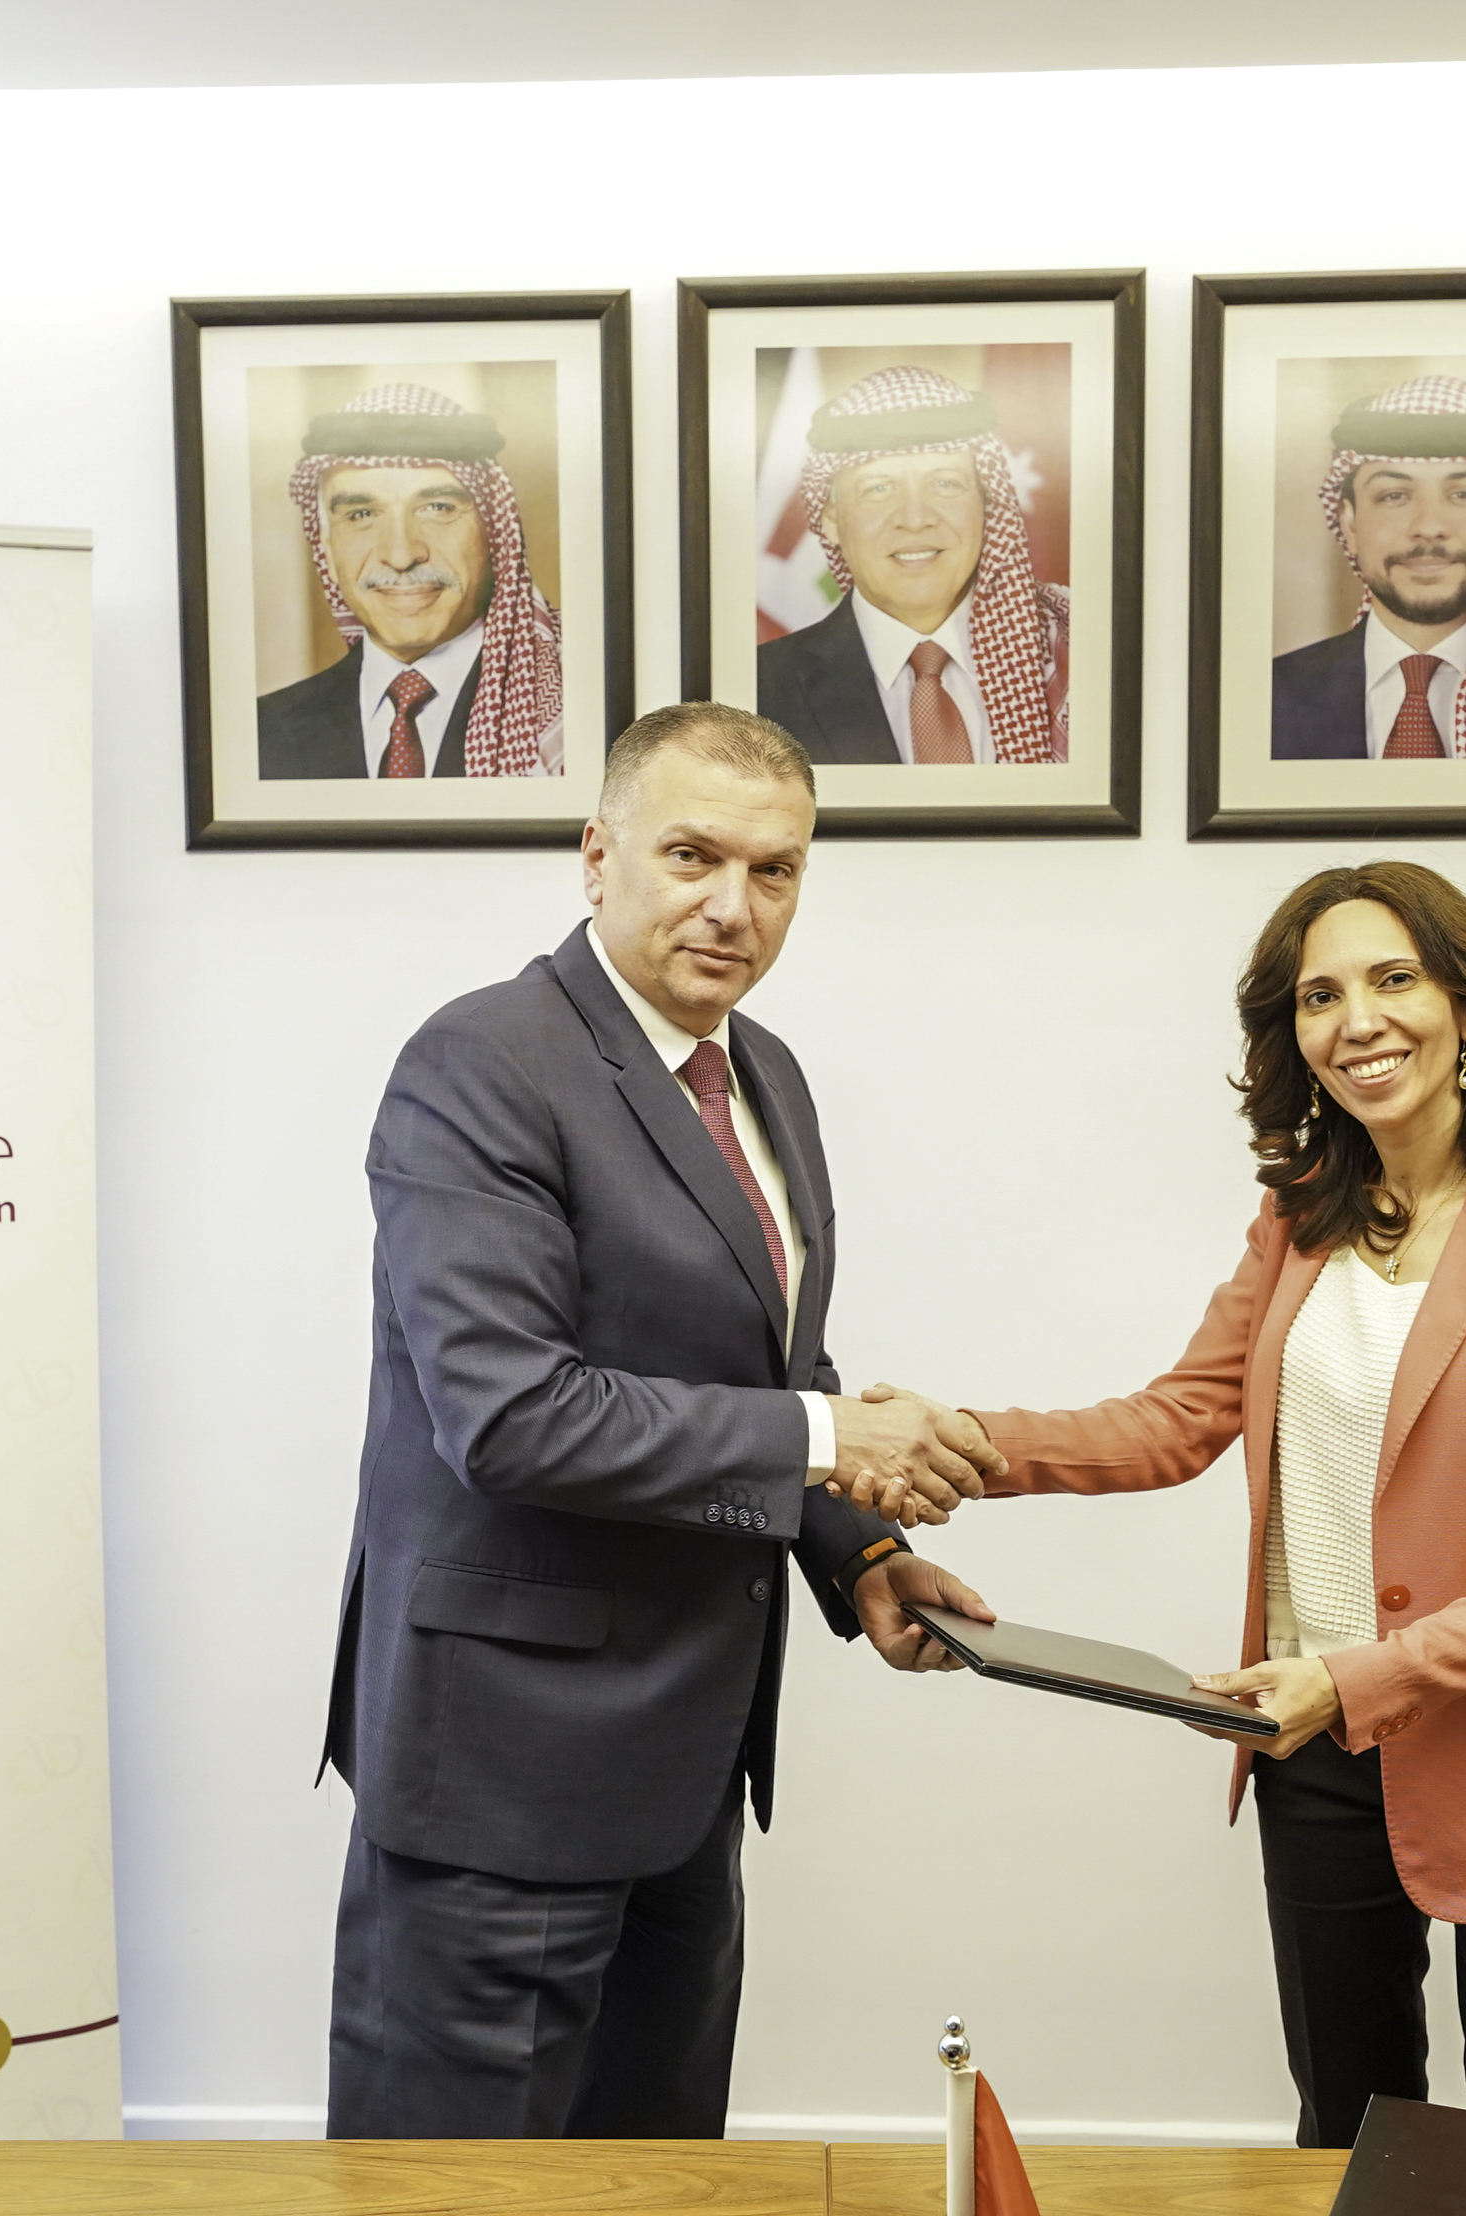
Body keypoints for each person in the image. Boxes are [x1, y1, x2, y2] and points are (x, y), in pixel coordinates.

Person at [321, 701, 1003, 2137]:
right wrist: (831, 1442)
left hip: (687, 1768)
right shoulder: (482, 1061)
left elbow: (769, 1360)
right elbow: (511, 1414)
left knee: (662, 2177)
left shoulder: (765, 1073)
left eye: (775, 870)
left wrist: (860, 1553)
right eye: (692, 856)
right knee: (452, 2196)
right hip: (503, 1775)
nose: (732, 906)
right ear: (596, 855)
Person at [912, 860, 1466, 2147]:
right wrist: (959, 1440)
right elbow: (1175, 1418)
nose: (1357, 1020)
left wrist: (1356, 1677)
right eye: (1320, 995)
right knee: (1347, 2135)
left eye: (1393, 979)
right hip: (1312, 1752)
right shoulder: (1302, 1212)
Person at [756, 364, 1070, 768]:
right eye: (879, 488)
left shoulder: (1076, 654)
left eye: (945, 483)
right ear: (830, 518)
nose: (916, 518)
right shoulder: (759, 692)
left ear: (986, 504)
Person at [260, 381, 566, 780]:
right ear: (328, 552)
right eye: (361, 515)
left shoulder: (573, 713)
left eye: (438, 508)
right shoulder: (261, 735)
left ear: (495, 536)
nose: (402, 555)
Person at [1270, 376, 1466, 763]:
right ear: (1349, 525)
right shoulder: (1264, 700)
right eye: (1394, 496)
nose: (1429, 526)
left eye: (1463, 495)